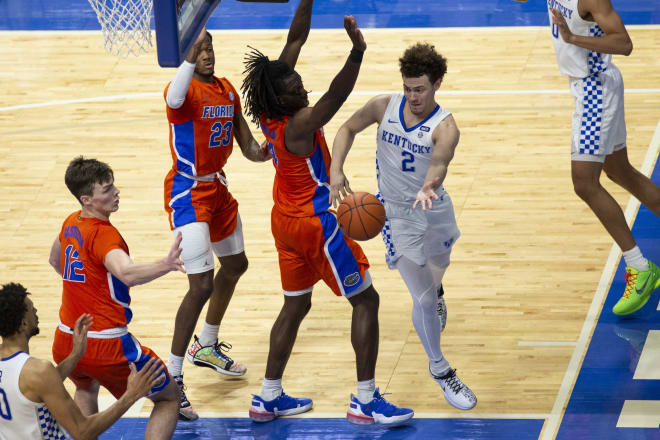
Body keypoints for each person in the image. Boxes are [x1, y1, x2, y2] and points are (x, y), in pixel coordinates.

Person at [240, 0, 414, 426]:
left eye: (299, 82)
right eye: (296, 88)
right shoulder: (298, 124)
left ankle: (267, 397)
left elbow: (295, 38)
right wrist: (357, 51)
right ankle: (366, 401)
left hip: (283, 221)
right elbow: (336, 98)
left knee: (295, 306)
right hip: (316, 225)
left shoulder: (268, 106)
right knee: (366, 300)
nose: (303, 88)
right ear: (283, 98)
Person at [329, 43, 478, 411]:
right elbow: (347, 128)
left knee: (438, 272)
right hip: (395, 215)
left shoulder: (446, 126)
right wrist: (336, 169)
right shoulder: (384, 105)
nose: (413, 96)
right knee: (423, 298)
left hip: (434, 207)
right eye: (409, 88)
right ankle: (442, 370)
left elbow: (440, 161)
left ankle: (438, 292)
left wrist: (431, 182)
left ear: (437, 84)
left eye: (421, 89)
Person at [163, 24, 271, 420]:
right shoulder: (182, 91)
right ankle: (171, 378)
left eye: (209, 47)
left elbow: (248, 147)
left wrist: (272, 147)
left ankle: (205, 345)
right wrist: (187, 55)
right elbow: (175, 95)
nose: (206, 53)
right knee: (201, 284)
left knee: (237, 264)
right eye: (199, 48)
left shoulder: (226, 89)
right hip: (188, 191)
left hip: (218, 189)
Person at [48, 156, 181, 439]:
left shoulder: (70, 222)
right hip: (107, 346)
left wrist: (85, 286)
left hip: (66, 339)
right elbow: (127, 273)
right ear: (86, 199)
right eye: (107, 189)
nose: (116, 191)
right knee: (169, 398)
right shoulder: (104, 235)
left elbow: (55, 260)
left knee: (85, 387)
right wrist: (165, 264)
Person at [545, 0, 660, 315]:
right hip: (590, 87)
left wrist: (572, 38)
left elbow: (624, 43)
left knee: (584, 183)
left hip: (595, 90)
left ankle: (639, 266)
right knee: (621, 172)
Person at [0, 282, 163, 440]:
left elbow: (29, 386)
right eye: (31, 308)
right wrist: (130, 396)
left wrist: (75, 354)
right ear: (23, 324)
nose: (36, 310)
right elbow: (82, 432)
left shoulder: (29, 373)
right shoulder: (39, 371)